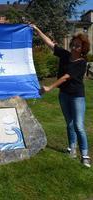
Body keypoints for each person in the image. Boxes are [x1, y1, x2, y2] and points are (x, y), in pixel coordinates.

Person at [31, 24, 91, 167]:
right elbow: (50, 44)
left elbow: (66, 77)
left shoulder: (82, 62)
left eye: (78, 46)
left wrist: (49, 88)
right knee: (69, 123)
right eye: (74, 45)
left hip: (77, 96)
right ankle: (71, 149)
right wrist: (37, 29)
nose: (75, 48)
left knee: (78, 125)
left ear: (83, 49)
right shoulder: (65, 55)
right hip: (64, 95)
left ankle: (85, 155)